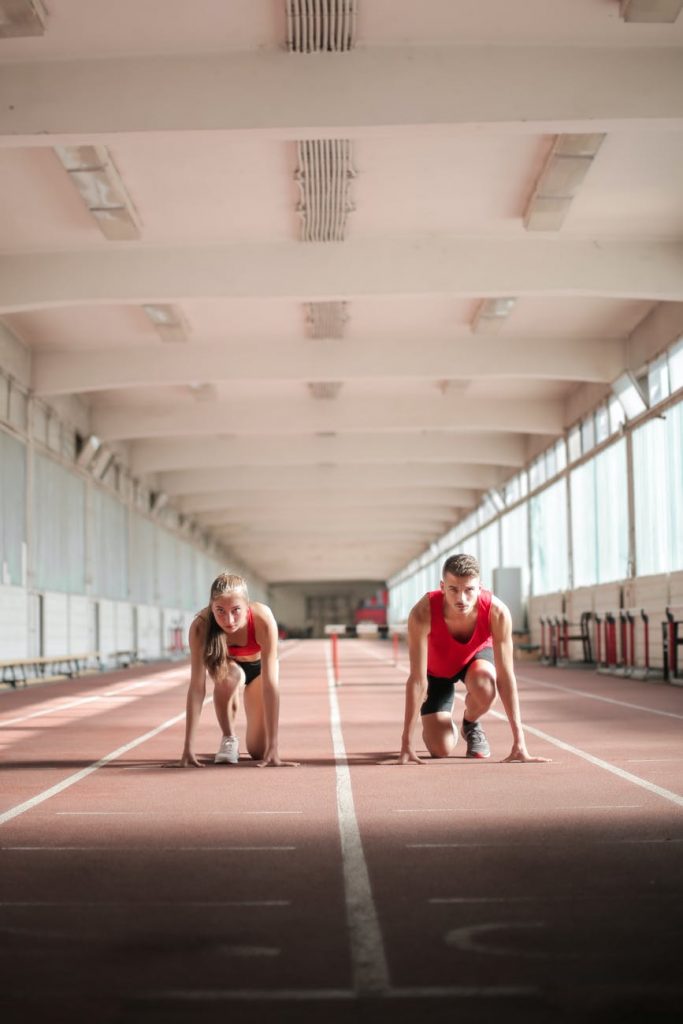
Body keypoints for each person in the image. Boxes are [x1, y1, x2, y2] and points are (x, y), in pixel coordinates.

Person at [396, 553, 549, 765]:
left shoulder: (497, 612)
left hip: (474, 661)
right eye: (453, 590)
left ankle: (470, 723)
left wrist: (520, 742)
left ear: (480, 587)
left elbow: (506, 678)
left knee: (486, 685)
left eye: (469, 590)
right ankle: (440, 725)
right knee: (440, 749)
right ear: (442, 586)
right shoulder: (422, 613)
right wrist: (406, 744)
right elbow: (417, 680)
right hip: (437, 672)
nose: (461, 599)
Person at [180, 572, 298, 768]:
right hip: (228, 668)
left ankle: (265, 745)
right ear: (211, 606)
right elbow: (196, 688)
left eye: (236, 610)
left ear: (247, 605)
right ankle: (229, 738)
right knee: (230, 676)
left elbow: (271, 686)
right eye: (220, 611)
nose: (229, 620)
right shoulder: (201, 627)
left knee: (259, 752)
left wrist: (273, 747)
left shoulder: (262, 619)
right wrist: (187, 748)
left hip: (259, 671)